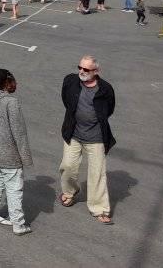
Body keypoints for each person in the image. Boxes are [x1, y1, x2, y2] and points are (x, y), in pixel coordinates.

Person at [58, 55, 115, 224]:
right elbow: (66, 100)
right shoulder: (70, 81)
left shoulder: (106, 89)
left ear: (96, 71)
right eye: (80, 67)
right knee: (67, 166)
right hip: (73, 134)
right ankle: (70, 191)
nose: (81, 71)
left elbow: (109, 109)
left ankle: (100, 209)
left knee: (97, 173)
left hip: (96, 137)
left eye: (86, 69)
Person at [0, 67, 34, 235]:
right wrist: (26, 158)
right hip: (8, 153)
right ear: (7, 83)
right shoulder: (11, 102)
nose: (16, 84)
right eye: (14, 81)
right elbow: (19, 133)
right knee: (14, 188)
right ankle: (18, 224)